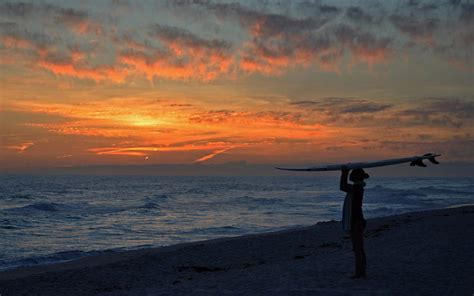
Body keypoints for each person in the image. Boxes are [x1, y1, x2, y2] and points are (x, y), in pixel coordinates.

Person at [340, 167, 369, 278]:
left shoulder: (357, 188)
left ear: (355, 177)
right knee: (358, 248)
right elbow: (344, 187)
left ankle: (360, 273)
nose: (350, 176)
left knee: (358, 249)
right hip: (357, 221)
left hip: (356, 221)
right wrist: (345, 173)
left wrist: (344, 173)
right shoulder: (358, 187)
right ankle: (361, 272)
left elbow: (342, 187)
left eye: (352, 174)